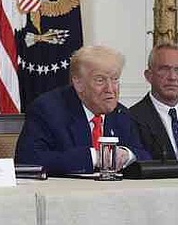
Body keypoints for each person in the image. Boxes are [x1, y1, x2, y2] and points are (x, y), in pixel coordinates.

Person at [14, 45, 150, 174]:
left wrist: (128, 154)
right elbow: (28, 160)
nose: (110, 89)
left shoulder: (121, 114)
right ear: (78, 83)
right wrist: (95, 157)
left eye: (114, 79)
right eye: (100, 80)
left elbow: (146, 156)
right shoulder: (47, 110)